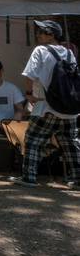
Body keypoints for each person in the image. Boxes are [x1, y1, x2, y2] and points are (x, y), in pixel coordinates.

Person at [18, 21, 80, 188]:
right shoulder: (69, 53)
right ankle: (77, 178)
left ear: (51, 35)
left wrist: (29, 95)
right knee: (71, 143)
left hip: (46, 107)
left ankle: (29, 178)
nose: (38, 34)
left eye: (42, 31)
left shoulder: (40, 50)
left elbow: (29, 75)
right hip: (70, 109)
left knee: (33, 140)